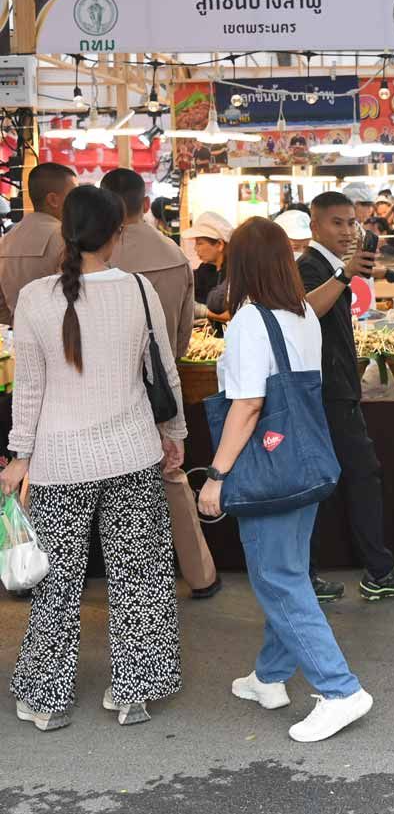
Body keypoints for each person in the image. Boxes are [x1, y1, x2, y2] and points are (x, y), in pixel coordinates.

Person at [4, 184, 185, 731]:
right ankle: (135, 693)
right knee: (140, 577)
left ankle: (46, 700)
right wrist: (174, 432)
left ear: (65, 231)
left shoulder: (34, 298)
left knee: (56, 583)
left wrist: (19, 456)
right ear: (117, 234)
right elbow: (163, 371)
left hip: (59, 462)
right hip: (133, 454)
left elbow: (28, 389)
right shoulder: (138, 290)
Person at [197, 217, 372, 743]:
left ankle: (340, 690)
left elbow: (249, 405)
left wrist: (217, 474)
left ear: (240, 265)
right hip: (302, 461)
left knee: (277, 578)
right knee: (288, 572)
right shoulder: (302, 314)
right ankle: (269, 677)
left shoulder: (250, 320)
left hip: (265, 467)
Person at [297, 192, 394, 602]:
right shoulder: (310, 267)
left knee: (351, 478)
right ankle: (376, 570)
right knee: (355, 477)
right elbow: (304, 312)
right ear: (314, 226)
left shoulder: (332, 266)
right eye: (336, 222)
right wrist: (344, 274)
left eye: (351, 222)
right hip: (326, 393)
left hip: (336, 388)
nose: (347, 231)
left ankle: (336, 573)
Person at [101, 169, 219, 600]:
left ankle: (48, 575)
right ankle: (201, 575)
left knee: (95, 483)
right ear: (146, 203)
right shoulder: (173, 254)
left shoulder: (94, 256)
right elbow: (184, 335)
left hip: (103, 388)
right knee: (171, 473)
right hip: (161, 390)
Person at [0, 163, 76, 325]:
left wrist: (19, 324)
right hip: (60, 333)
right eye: (73, 196)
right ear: (53, 200)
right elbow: (73, 297)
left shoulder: (6, 240)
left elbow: (1, 308)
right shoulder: (66, 238)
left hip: (21, 332)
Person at [182, 212, 233, 321]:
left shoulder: (235, 273)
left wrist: (203, 312)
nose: (195, 248)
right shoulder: (205, 269)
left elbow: (233, 315)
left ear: (219, 244)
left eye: (199, 243)